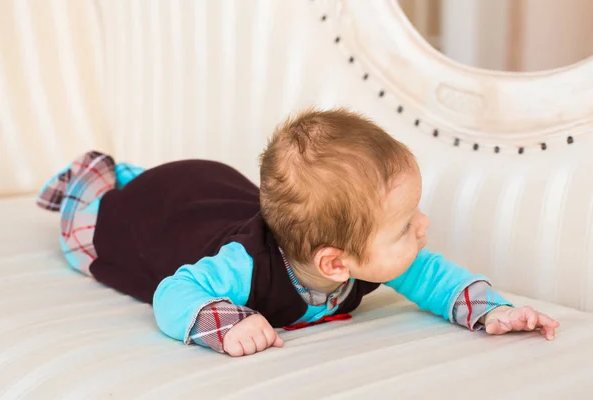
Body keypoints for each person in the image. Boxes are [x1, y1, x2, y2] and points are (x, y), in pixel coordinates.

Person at [37, 108, 559, 357]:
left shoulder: (365, 253)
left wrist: (496, 311)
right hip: (164, 211)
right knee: (101, 232)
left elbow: (439, 281)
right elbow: (173, 293)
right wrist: (224, 323)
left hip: (216, 187)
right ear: (335, 263)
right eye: (404, 226)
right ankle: (118, 185)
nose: (422, 229)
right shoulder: (244, 266)